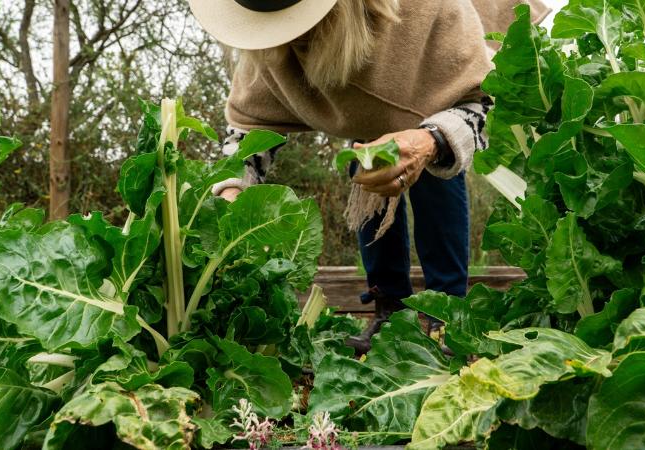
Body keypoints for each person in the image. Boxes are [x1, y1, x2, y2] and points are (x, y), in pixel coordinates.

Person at [188, 0, 550, 353]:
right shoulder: (264, 46)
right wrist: (231, 191)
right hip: (375, 101)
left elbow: (486, 101)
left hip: (454, 54)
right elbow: (246, 137)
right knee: (366, 163)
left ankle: (447, 314)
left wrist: (429, 141)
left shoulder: (428, 11)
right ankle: (388, 306)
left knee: (432, 167)